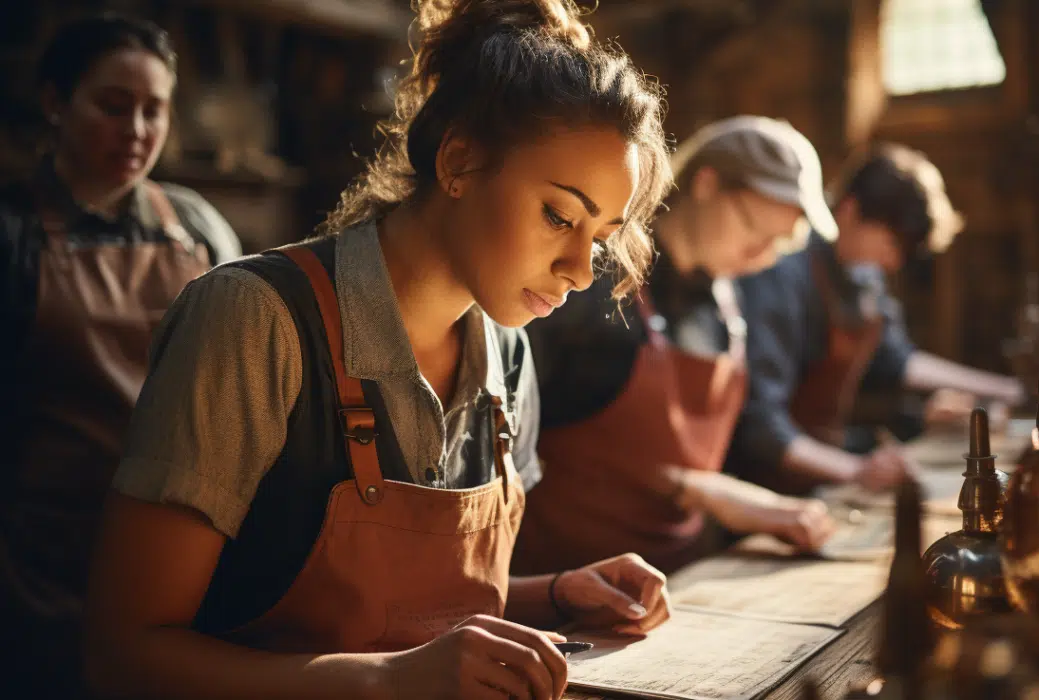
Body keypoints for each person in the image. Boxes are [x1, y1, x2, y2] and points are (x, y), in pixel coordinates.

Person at [83, 2, 673, 699]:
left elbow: (416, 610)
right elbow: (123, 657)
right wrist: (387, 681)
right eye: (558, 215)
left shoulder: (508, 354)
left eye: (600, 236)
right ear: (458, 162)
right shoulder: (253, 320)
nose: (580, 269)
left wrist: (557, 594)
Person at [0, 13, 241, 698]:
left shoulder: (196, 228)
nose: (136, 131)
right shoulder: (14, 236)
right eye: (113, 105)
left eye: (153, 110)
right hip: (41, 567)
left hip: (179, 559)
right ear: (55, 102)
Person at [512, 116, 837, 576]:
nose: (761, 258)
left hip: (686, 576)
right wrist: (690, 486)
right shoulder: (591, 288)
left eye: (778, 245)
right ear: (706, 184)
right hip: (567, 581)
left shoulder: (727, 301)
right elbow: (513, 443)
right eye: (753, 232)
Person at [731, 143, 1025, 497]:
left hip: (823, 476)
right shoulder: (783, 271)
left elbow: (897, 360)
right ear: (850, 211)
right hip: (764, 486)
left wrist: (1006, 389)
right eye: (890, 244)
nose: (894, 262)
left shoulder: (862, 277)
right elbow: (761, 425)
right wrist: (857, 470)